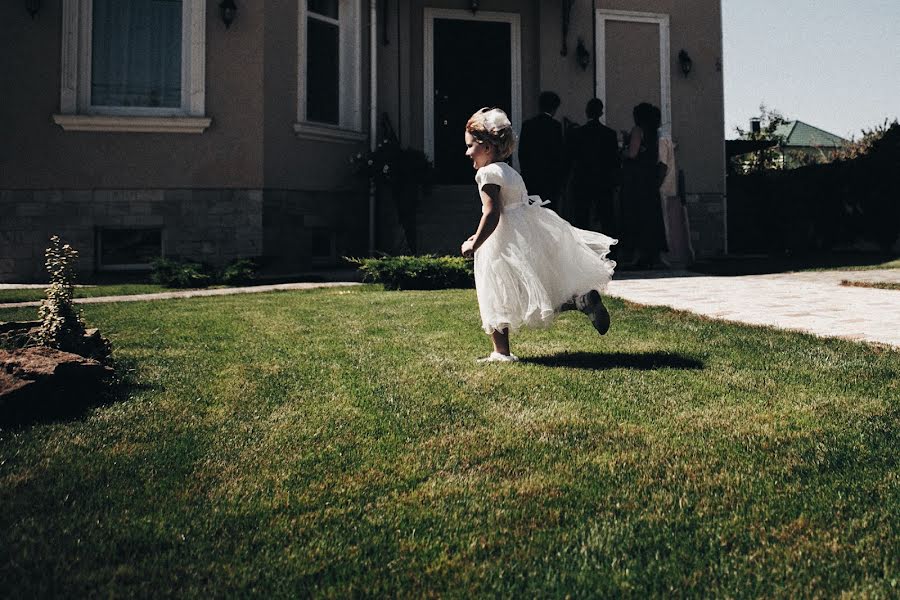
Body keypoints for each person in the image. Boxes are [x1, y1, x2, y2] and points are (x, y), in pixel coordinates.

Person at [461, 107, 617, 363]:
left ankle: (501, 352)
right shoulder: (510, 171)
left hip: (503, 240)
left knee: (498, 291)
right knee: (536, 290)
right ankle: (580, 301)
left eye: (470, 146)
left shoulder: (487, 173)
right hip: (525, 232)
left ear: (486, 147)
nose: (467, 152)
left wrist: (475, 243)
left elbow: (492, 214)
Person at [621, 102, 667, 269]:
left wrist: (623, 149)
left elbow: (632, 153)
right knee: (652, 218)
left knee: (636, 216)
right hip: (650, 179)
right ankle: (653, 255)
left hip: (637, 180)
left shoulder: (637, 130)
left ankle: (636, 255)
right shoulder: (654, 133)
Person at [565, 98, 621, 231]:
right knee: (607, 218)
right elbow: (614, 160)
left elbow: (571, 157)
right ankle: (611, 248)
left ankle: (583, 248)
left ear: (587, 112)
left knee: (581, 218)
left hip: (582, 180)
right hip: (603, 181)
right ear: (601, 113)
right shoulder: (609, 134)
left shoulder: (578, 133)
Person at [517, 91, 565, 203]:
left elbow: (522, 153)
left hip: (531, 178)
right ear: (555, 108)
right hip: (550, 179)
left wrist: (525, 174)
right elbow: (558, 155)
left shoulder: (528, 125)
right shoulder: (555, 127)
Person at [657, 128, 695, 267]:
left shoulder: (661, 140)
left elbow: (662, 164)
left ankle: (665, 256)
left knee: (663, 223)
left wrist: (655, 185)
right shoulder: (665, 137)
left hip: (662, 188)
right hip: (668, 187)